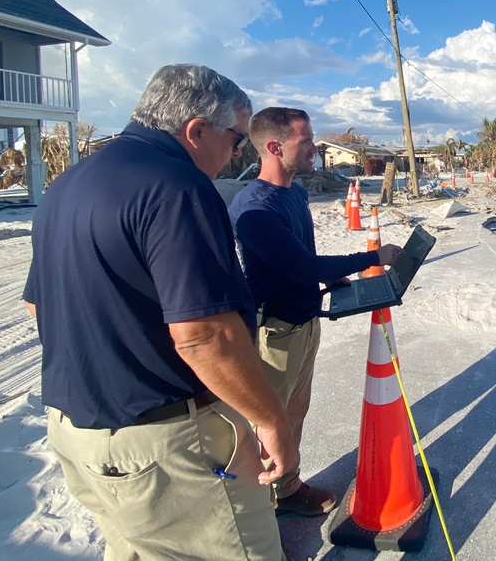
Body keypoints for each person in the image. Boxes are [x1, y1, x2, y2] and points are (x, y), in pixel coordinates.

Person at [23, 64, 295, 560]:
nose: (238, 155)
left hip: (76, 434)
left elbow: (37, 302)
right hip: (167, 445)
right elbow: (204, 336)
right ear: (196, 130)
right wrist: (271, 419)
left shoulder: (66, 185)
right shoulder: (178, 187)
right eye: (236, 140)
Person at [229, 107, 402, 516]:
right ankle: (260, 513)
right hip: (276, 333)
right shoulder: (254, 209)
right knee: (267, 428)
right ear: (274, 147)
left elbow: (302, 259)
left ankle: (286, 491)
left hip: (306, 321)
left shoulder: (295, 193)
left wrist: (334, 281)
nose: (314, 149)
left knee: (294, 414)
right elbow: (304, 266)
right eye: (305, 141)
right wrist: (373, 256)